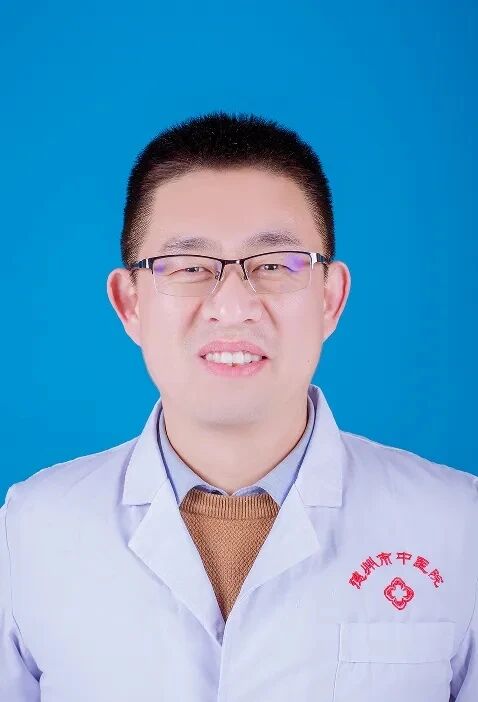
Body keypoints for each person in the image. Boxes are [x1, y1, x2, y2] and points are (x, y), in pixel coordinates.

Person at [0, 111, 476, 701]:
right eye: (188, 267)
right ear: (130, 304)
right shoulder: (31, 532)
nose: (232, 306)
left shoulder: (459, 525)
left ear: (330, 298)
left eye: (274, 265)